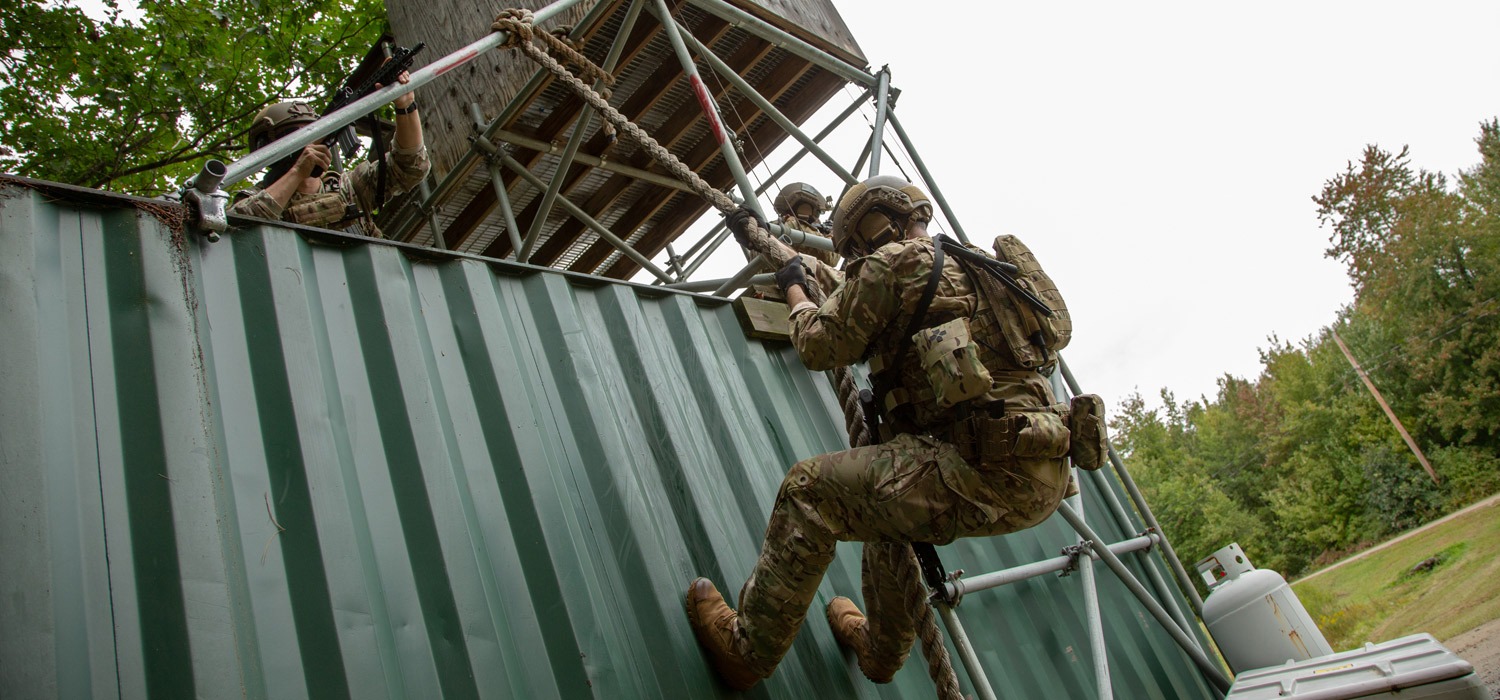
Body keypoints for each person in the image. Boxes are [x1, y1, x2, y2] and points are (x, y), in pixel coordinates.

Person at [689, 175, 1102, 690]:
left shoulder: (897, 267)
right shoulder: (977, 264)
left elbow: (820, 344)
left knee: (809, 492)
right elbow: (863, 292)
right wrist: (770, 245)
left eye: (857, 244)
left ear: (872, 224)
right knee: (886, 513)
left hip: (979, 469)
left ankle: (746, 650)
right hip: (1046, 467)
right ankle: (880, 653)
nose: (858, 254)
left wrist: (794, 289)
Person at [228, 70, 428, 238]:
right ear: (268, 146)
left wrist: (406, 106)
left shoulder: (349, 188)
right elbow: (237, 229)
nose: (307, 141)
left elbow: (409, 167)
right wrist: (298, 171)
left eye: (312, 132)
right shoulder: (254, 199)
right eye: (295, 135)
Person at [742, 182, 839, 300]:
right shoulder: (797, 226)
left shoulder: (772, 227)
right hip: (793, 296)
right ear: (806, 208)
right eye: (816, 212)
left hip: (770, 293)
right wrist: (833, 236)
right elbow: (831, 257)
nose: (817, 218)